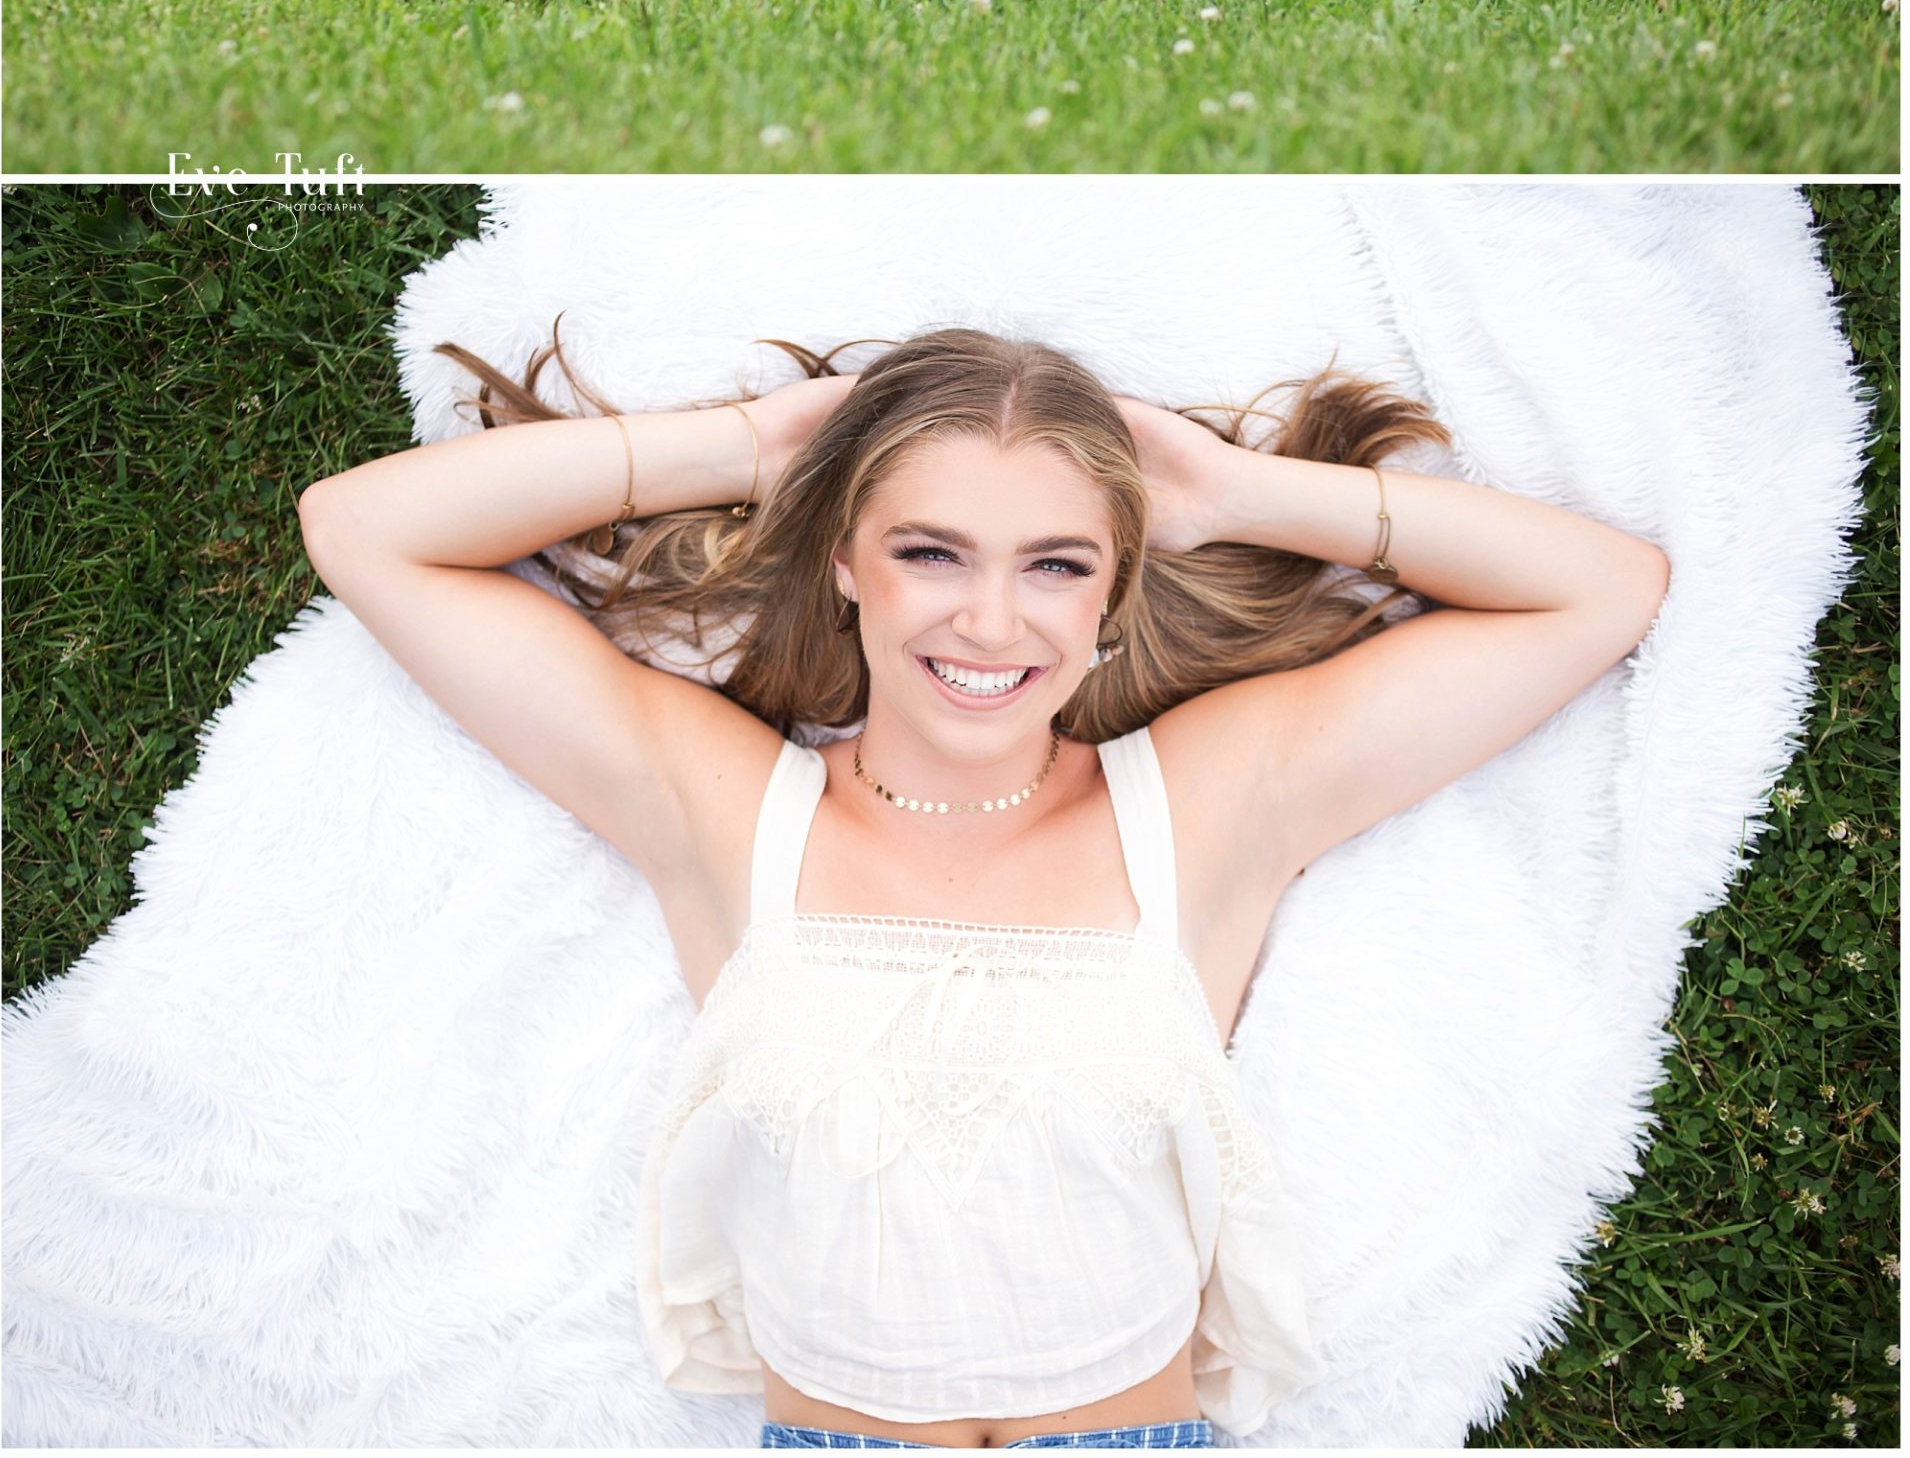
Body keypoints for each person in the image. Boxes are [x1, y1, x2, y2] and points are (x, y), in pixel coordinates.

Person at [297, 327, 1670, 1451]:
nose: (990, 623)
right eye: (930, 552)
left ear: (1111, 595)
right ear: (844, 562)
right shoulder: (724, 811)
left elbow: (1600, 594)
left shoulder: (1203, 804)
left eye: (1055, 565)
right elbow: (362, 531)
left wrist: (1238, 496)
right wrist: (758, 446)